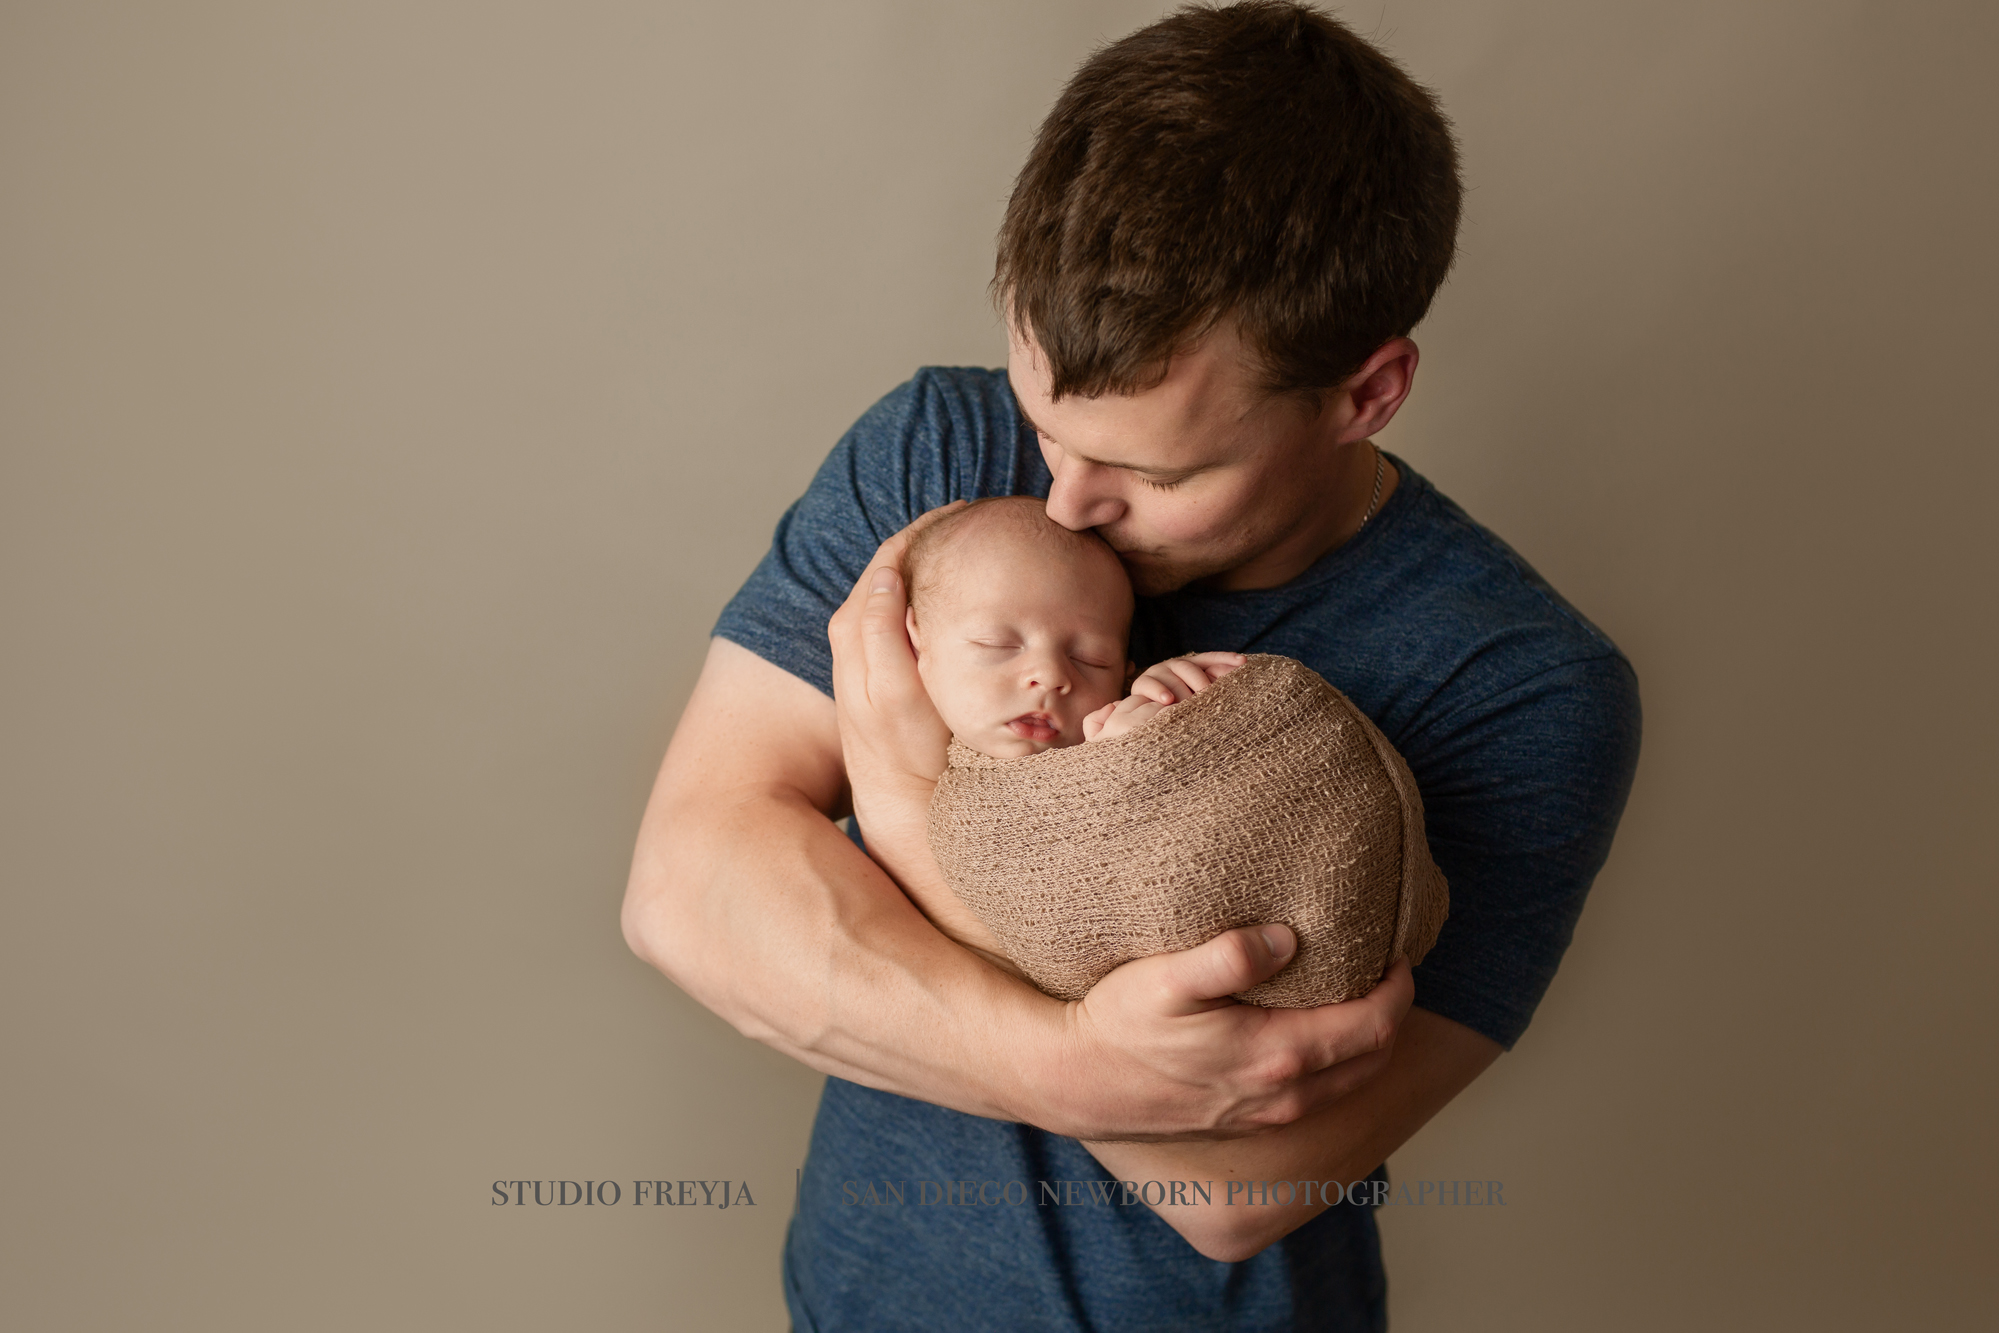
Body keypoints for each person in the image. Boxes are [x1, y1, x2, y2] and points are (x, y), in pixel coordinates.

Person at [622, 4, 1640, 1328]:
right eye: (1045, 423)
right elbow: (688, 889)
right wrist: (1079, 1063)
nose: (1066, 500)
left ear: (1364, 394)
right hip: (858, 1301)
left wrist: (917, 820)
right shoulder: (943, 452)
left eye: (1156, 469)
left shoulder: (1520, 682)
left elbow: (1237, 1187)